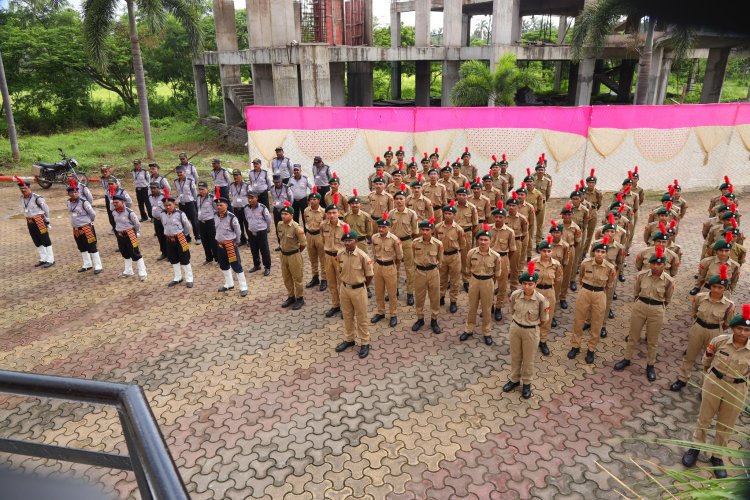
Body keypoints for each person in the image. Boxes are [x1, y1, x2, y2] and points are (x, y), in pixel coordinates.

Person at [681, 304, 750, 479]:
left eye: (747, 330)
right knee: (704, 418)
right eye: (739, 328)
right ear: (733, 328)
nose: (742, 333)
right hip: (714, 382)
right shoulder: (719, 341)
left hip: (737, 388)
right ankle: (696, 447)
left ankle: (717, 456)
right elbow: (707, 360)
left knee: (726, 425)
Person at [614, 246, 675, 380]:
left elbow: (668, 299)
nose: (656, 266)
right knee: (633, 336)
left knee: (652, 341)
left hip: (657, 310)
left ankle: (650, 365)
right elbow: (636, 292)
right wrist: (639, 303)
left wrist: (658, 307)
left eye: (659, 263)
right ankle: (627, 358)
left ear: (664, 265)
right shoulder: (641, 276)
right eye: (653, 263)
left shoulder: (669, 281)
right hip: (640, 306)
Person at [671, 266, 734, 391]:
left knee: (710, 360)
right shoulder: (700, 297)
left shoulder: (729, 305)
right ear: (710, 286)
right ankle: (683, 379)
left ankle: (705, 385)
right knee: (690, 355)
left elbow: (727, 323)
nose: (716, 290)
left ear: (725, 288)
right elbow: (694, 312)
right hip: (698, 328)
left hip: (715, 332)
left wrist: (717, 329)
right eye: (714, 286)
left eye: (720, 287)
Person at [503, 261, 550, 399]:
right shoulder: (516, 295)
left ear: (535, 285)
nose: (527, 286)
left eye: (530, 284)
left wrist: (532, 326)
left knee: (528, 359)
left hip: (531, 331)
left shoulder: (541, 300)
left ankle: (527, 383)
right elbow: (512, 310)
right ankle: (514, 379)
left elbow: (544, 319)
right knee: (516, 356)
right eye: (524, 283)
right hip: (516, 328)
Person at [567, 237, 616, 363]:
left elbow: (609, 284)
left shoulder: (610, 268)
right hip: (585, 292)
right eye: (597, 251)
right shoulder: (585, 263)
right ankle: (575, 346)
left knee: (597, 323)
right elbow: (581, 277)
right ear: (594, 252)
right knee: (579, 320)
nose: (600, 254)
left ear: (606, 254)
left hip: (600, 294)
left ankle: (591, 349)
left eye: (602, 252)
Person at [334, 224, 375, 359]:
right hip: (345, 289)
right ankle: (349, 339)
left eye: (350, 240)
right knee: (347, 316)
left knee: (361, 317)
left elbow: (369, 276)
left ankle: (365, 342)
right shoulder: (340, 254)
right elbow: (339, 270)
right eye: (345, 241)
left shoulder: (363, 257)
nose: (347, 243)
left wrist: (362, 286)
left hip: (359, 290)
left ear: (356, 241)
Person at [460, 224, 502, 346]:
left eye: (486, 240)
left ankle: (486, 332)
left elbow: (497, 273)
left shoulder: (496, 256)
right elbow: (468, 269)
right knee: (472, 307)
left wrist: (492, 285)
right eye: (481, 239)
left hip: (488, 282)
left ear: (490, 241)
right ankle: (469, 330)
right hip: (474, 280)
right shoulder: (471, 253)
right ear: (477, 240)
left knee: (487, 308)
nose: (483, 242)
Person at [411, 217, 444, 334]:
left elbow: (440, 260)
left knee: (435, 297)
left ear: (432, 230)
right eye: (423, 230)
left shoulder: (438, 244)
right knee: (419, 297)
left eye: (427, 230)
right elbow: (412, 258)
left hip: (433, 272)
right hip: (419, 272)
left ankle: (434, 320)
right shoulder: (415, 243)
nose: (424, 232)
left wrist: (435, 269)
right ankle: (420, 319)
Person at [371, 213, 403, 328]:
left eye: (384, 227)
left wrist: (393, 266)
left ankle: (393, 314)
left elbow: (399, 257)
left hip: (390, 267)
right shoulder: (374, 237)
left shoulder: (394, 240)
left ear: (388, 228)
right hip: (378, 266)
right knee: (379, 292)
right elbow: (374, 253)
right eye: (379, 227)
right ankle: (380, 312)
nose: (381, 229)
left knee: (391, 293)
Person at [388, 187, 419, 306]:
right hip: (394, 243)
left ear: (405, 200)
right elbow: (389, 228)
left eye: (401, 198)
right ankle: (394, 291)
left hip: (407, 243)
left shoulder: (412, 213)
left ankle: (410, 293)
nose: (399, 201)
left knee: (409, 268)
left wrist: (413, 243)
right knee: (394, 268)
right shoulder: (391, 213)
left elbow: (415, 231)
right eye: (397, 199)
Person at [533, 237, 562, 356]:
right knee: (533, 316)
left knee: (547, 318)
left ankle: (543, 340)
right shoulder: (533, 263)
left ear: (552, 251)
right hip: (536, 292)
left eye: (548, 251)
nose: (546, 253)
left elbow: (559, 278)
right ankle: (533, 339)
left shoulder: (556, 264)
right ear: (540, 251)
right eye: (544, 251)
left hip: (549, 292)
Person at [213, 196, 248, 297]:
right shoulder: (215, 215)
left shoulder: (232, 217)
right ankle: (229, 284)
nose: (219, 207)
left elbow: (238, 231)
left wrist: (235, 242)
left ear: (226, 205)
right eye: (217, 205)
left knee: (236, 265)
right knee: (223, 265)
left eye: (221, 205)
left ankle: (243, 287)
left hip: (230, 245)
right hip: (220, 245)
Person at [17, 178, 54, 268]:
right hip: (30, 221)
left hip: (39, 221)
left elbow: (46, 209)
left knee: (45, 240)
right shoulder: (22, 198)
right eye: (21, 189)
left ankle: (50, 260)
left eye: (24, 188)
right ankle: (43, 258)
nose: (23, 190)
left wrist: (47, 220)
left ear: (29, 188)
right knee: (36, 240)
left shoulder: (37, 198)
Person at [66, 180, 101, 274]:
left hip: (86, 227)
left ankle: (98, 265)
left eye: (76, 192)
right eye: (72, 192)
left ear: (78, 192)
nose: (74, 194)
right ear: (68, 193)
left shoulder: (84, 202)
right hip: (76, 229)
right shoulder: (68, 202)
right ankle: (87, 264)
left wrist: (88, 222)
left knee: (92, 246)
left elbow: (92, 214)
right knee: (81, 247)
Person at [490, 202, 517, 321]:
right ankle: (489, 306)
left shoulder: (510, 232)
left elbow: (512, 250)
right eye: (496, 217)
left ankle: (498, 308)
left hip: (503, 259)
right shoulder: (488, 229)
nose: (498, 219)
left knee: (502, 286)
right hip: (489, 259)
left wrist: (505, 261)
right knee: (489, 285)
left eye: (501, 217)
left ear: (505, 218)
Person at [435, 201, 464, 314]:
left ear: (454, 215)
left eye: (450, 214)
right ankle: (441, 297)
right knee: (441, 279)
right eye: (446, 213)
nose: (447, 215)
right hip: (442, 256)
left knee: (454, 280)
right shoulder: (438, 227)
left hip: (454, 256)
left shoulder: (458, 229)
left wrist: (456, 252)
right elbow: (436, 242)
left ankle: (453, 301)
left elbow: (462, 244)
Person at [277, 201, 307, 310]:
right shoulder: (280, 224)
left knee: (297, 278)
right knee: (286, 277)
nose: (283, 216)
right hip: (283, 255)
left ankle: (300, 298)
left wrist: (296, 252)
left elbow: (303, 244)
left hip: (294, 255)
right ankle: (291, 296)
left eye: (286, 214)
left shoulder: (297, 228)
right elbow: (280, 238)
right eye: (282, 214)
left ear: (292, 215)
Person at [160, 196, 194, 288]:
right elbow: (164, 225)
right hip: (169, 239)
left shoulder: (180, 214)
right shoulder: (162, 214)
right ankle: (178, 277)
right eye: (165, 205)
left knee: (185, 258)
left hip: (180, 238)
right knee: (173, 258)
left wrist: (184, 235)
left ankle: (189, 278)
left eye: (169, 205)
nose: (167, 207)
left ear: (174, 204)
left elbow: (187, 226)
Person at [112, 193, 147, 281]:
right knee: (124, 252)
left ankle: (143, 273)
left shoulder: (129, 212)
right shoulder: (114, 212)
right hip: (120, 235)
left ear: (122, 202)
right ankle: (128, 271)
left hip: (130, 234)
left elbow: (137, 224)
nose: (114, 204)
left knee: (136, 253)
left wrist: (136, 232)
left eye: (116, 202)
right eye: (114, 202)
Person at [321, 198, 345, 317]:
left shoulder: (345, 226)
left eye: (334, 212)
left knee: (342, 283)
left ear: (338, 213)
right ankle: (335, 305)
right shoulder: (323, 225)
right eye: (329, 213)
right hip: (328, 257)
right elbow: (322, 239)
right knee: (331, 283)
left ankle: (345, 307)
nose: (331, 215)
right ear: (326, 214)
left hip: (339, 258)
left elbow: (348, 244)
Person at [455, 184, 479, 292]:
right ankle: (452, 279)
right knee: (453, 257)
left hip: (466, 234)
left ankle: (466, 280)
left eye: (463, 195)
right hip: (454, 234)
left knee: (465, 258)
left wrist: (470, 235)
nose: (461, 196)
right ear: (456, 196)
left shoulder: (472, 208)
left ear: (467, 196)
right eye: (459, 194)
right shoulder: (452, 207)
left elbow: (475, 225)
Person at [303, 187, 327, 291]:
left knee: (323, 259)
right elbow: (305, 221)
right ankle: (315, 277)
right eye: (310, 199)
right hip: (309, 235)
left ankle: (324, 279)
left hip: (319, 235)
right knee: (312, 258)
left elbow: (326, 225)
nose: (312, 201)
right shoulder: (306, 210)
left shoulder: (323, 212)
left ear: (319, 200)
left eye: (314, 199)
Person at [244, 192, 273, 276]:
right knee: (254, 249)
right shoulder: (246, 208)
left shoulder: (262, 208)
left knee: (264, 250)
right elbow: (247, 218)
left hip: (261, 232)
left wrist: (266, 228)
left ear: (257, 198)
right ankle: (257, 265)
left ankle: (267, 267)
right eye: (249, 198)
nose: (250, 200)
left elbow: (268, 220)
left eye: (252, 198)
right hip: (251, 232)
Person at [505, 193, 528, 292]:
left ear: (518, 206)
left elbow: (524, 233)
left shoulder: (522, 219)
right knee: (503, 266)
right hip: (504, 243)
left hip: (516, 242)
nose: (511, 207)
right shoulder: (503, 217)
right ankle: (501, 286)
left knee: (514, 267)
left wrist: (517, 241)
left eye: (514, 205)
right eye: (509, 205)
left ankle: (513, 287)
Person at [174, 166, 200, 244]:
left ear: (184, 171)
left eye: (180, 172)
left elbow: (194, 193)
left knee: (194, 222)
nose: (179, 174)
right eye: (178, 173)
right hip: (181, 204)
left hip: (190, 204)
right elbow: (178, 192)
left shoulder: (190, 181)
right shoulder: (175, 181)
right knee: (183, 222)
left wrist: (196, 204)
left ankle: (198, 237)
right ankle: (187, 237)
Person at [270, 174, 294, 250]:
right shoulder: (272, 188)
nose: (277, 184)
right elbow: (273, 197)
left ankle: (289, 244)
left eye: (278, 182)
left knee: (287, 227)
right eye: (275, 182)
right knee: (278, 227)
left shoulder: (286, 188)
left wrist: (289, 208)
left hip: (285, 210)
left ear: (281, 181)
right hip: (276, 210)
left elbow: (291, 198)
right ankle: (280, 244)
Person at [582, 169, 602, 254]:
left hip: (593, 214)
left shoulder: (598, 193)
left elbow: (599, 204)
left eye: (593, 183)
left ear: (595, 184)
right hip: (583, 214)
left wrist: (593, 211)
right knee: (582, 233)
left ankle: (584, 251)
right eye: (589, 182)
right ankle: (579, 250)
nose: (591, 184)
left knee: (589, 235)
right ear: (587, 183)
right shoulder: (582, 191)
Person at [196, 183, 217, 264]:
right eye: (199, 189)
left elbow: (217, 209)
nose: (201, 191)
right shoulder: (198, 197)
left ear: (207, 189)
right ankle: (209, 258)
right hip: (201, 222)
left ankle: (217, 258)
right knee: (204, 241)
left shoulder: (211, 197)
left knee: (213, 241)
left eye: (202, 189)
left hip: (210, 222)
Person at [229, 169, 250, 245]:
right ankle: (242, 240)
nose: (235, 177)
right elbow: (231, 195)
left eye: (237, 175)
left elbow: (250, 196)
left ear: (240, 176)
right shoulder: (231, 185)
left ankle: (250, 240)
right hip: (236, 209)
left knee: (247, 224)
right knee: (239, 225)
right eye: (234, 175)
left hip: (245, 208)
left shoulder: (246, 185)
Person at [148, 182, 168, 260]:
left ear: (158, 188)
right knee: (160, 237)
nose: (153, 190)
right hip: (156, 220)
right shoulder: (150, 197)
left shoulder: (164, 197)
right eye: (151, 188)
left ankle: (170, 253)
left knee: (167, 237)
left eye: (154, 188)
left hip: (164, 220)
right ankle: (164, 253)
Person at [100, 165, 118, 231]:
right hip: (107, 196)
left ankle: (117, 226)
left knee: (115, 211)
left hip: (114, 197)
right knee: (109, 212)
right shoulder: (102, 179)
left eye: (106, 171)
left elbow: (118, 187)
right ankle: (113, 226)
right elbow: (104, 188)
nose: (104, 173)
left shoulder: (113, 179)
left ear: (109, 171)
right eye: (103, 172)